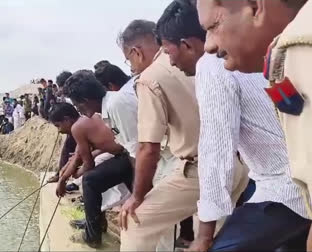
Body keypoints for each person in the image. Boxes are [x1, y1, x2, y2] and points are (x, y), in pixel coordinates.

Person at [116, 19, 248, 251]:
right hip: (237, 165)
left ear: (136, 52)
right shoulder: (201, 58)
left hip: (200, 172)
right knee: (210, 237)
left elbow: (149, 148)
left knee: (135, 222)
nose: (132, 67)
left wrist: (136, 197)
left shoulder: (149, 78)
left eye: (129, 60)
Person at [195, 0, 312, 251]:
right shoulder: (272, 60)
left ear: (256, 7)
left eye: (214, 26)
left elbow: (216, 151)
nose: (210, 44)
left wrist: (204, 236)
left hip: (286, 192)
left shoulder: (212, 67)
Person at [59, 70, 138, 248]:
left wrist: (138, 193)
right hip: (127, 156)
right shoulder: (107, 107)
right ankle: (93, 229)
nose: (77, 109)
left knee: (90, 179)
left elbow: (136, 149)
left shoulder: (116, 105)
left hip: (136, 159)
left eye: (77, 104)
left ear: (85, 101)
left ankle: (92, 236)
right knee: (92, 179)